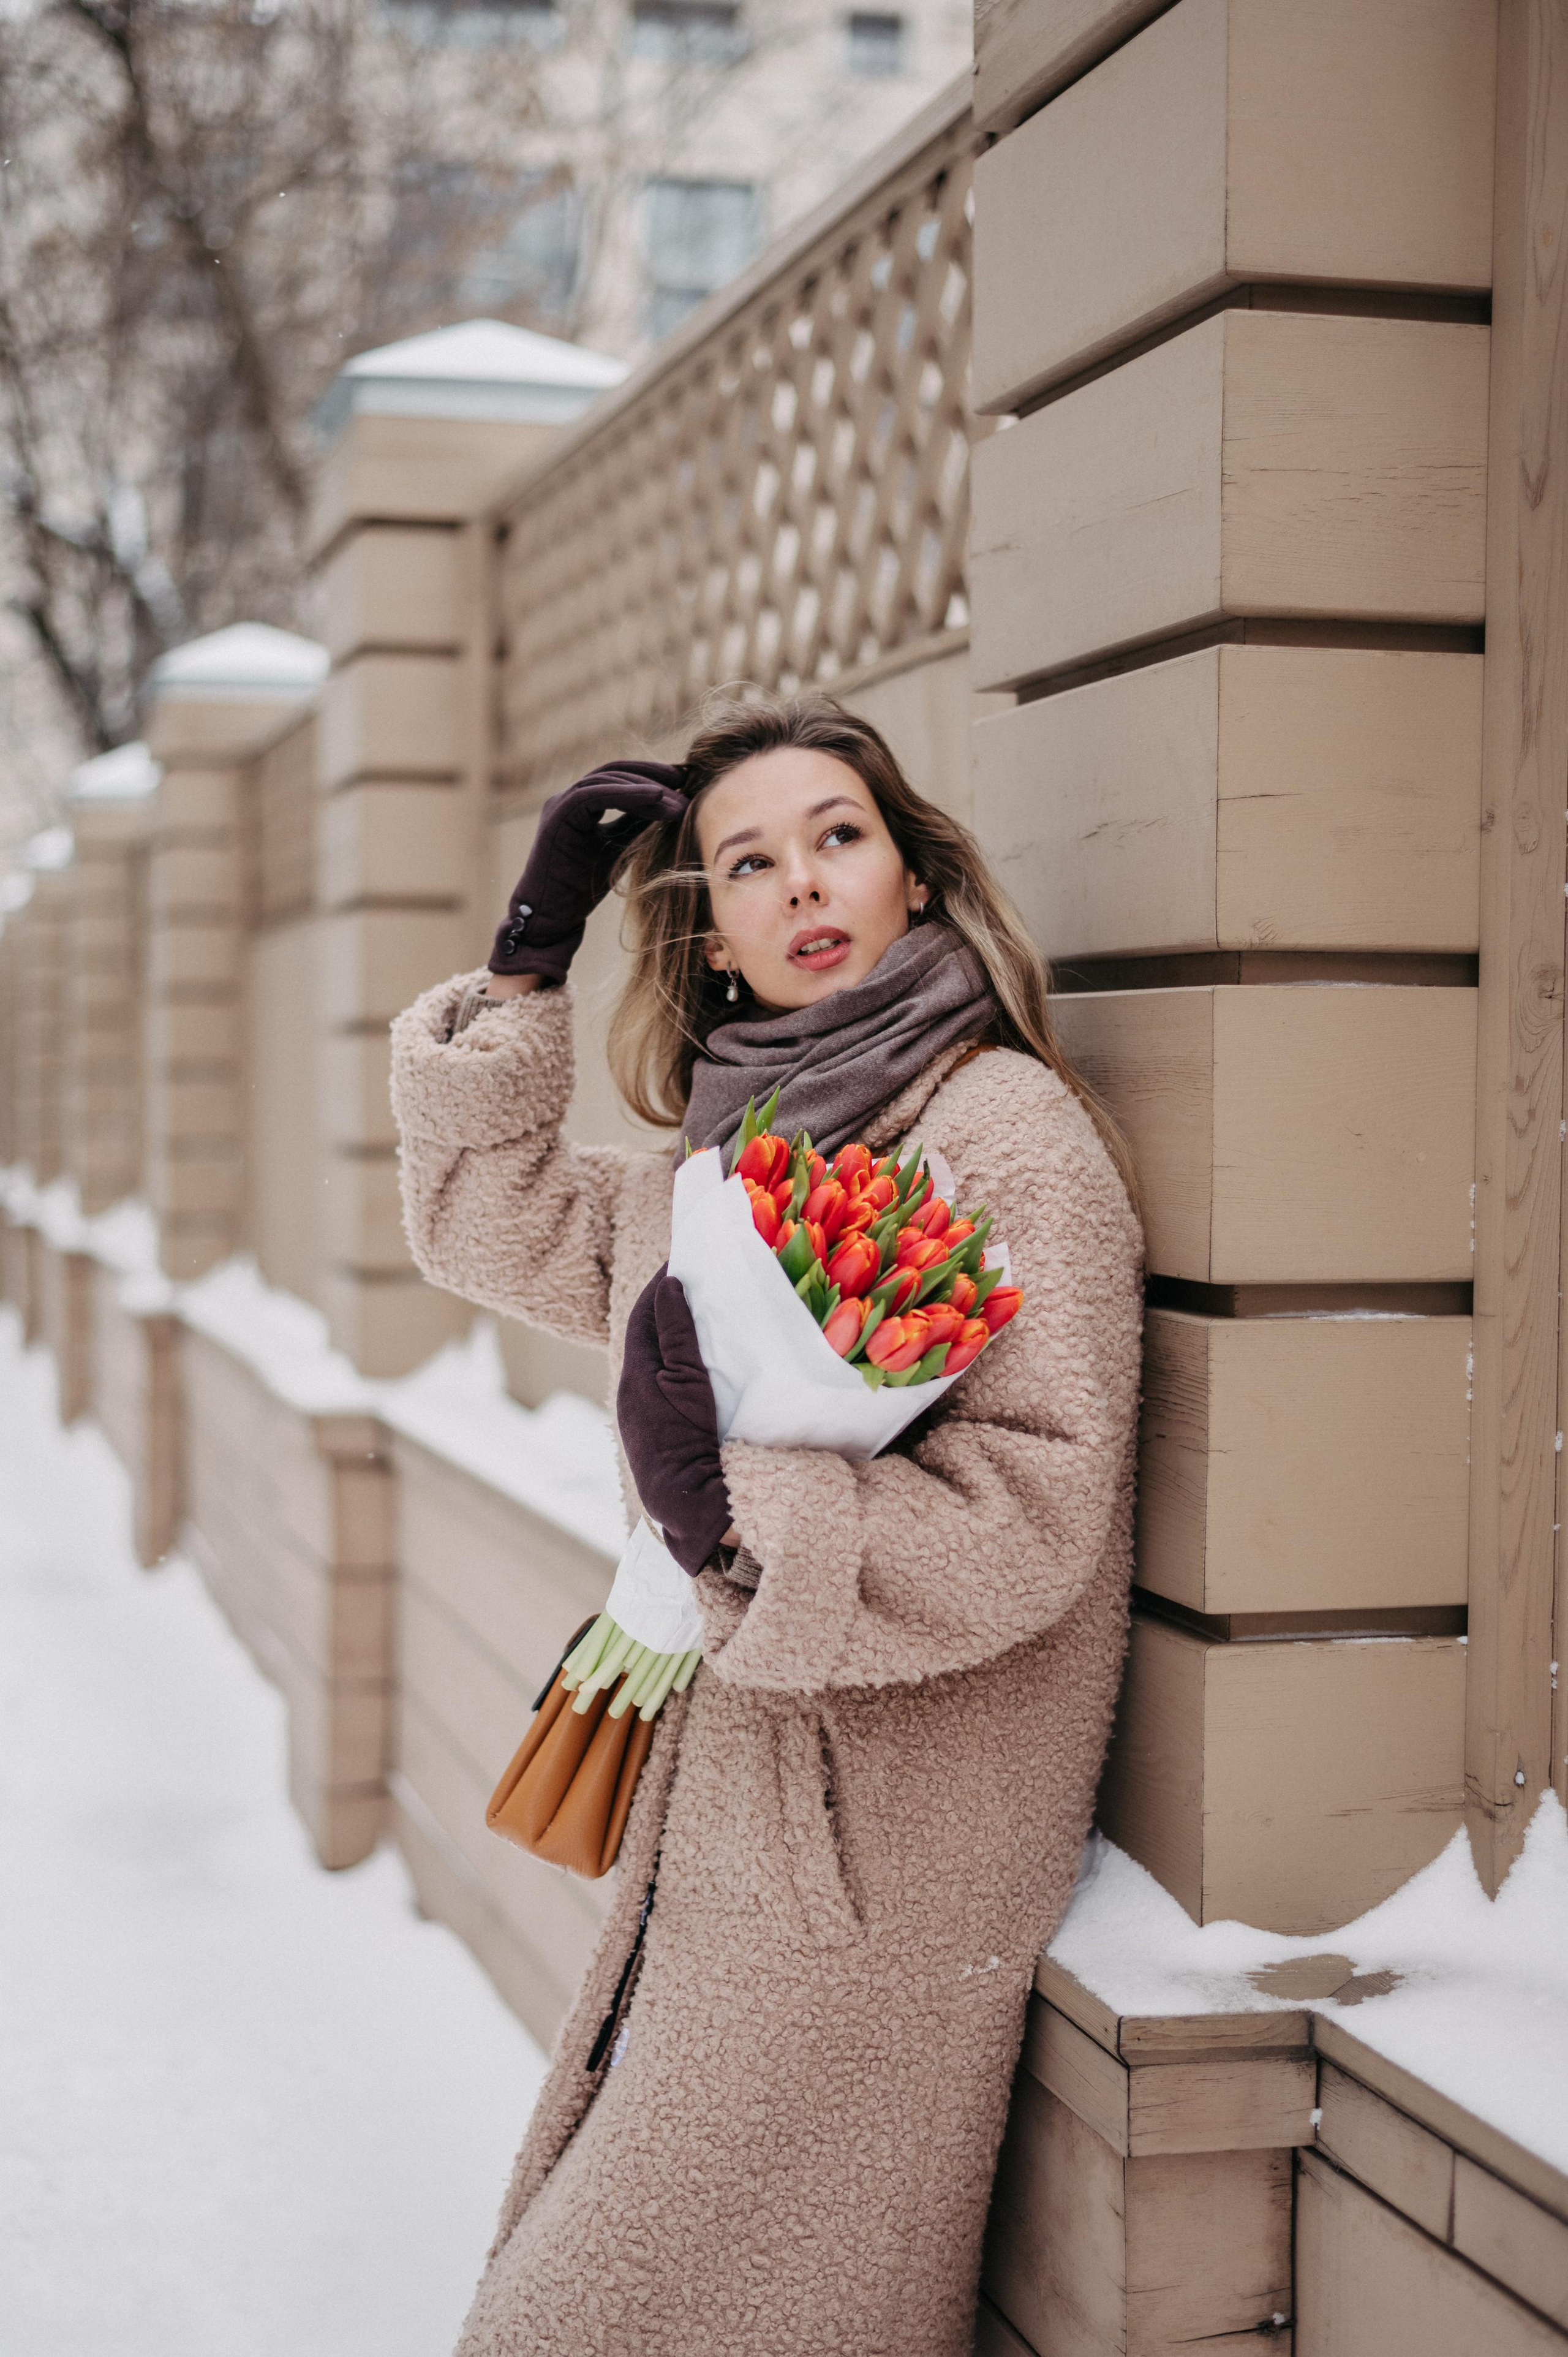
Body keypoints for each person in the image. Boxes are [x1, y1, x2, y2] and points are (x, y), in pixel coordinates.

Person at [389, 692, 1144, 2357]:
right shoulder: (734, 1156)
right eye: (750, 862)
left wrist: (734, 1511)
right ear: (717, 936)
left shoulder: (999, 1132)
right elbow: (484, 1219)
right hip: (747, 1824)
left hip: (884, 1855)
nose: (803, 883)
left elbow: (1036, 1509)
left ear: (913, 878)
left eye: (839, 838)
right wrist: (533, 954)